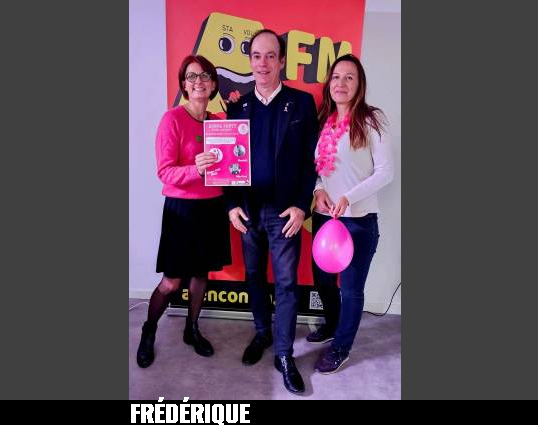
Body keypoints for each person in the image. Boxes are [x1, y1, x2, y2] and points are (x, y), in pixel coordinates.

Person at [225, 29, 318, 394]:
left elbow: (311, 163)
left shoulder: (302, 103)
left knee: (286, 283)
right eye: (256, 56)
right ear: (250, 62)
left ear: (282, 61)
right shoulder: (238, 107)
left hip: (284, 214)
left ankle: (284, 354)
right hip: (248, 213)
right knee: (253, 275)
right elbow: (228, 164)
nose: (262, 63)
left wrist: (302, 206)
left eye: (270, 56)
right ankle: (262, 332)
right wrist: (231, 204)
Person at [136, 55, 231, 368]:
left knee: (201, 274)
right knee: (171, 282)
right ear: (184, 85)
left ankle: (192, 329)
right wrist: (195, 169)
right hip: (182, 210)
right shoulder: (172, 119)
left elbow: (234, 164)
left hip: (213, 207)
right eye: (191, 77)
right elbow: (164, 172)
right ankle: (149, 330)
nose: (198, 81)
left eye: (204, 76)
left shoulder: (220, 122)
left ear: (213, 84)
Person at [307, 54, 394, 374]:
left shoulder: (371, 120)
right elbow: (318, 169)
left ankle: (341, 348)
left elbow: (386, 172)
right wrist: (318, 190)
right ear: (328, 83)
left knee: (352, 289)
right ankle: (332, 325)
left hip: (358, 221)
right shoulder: (324, 120)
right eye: (336, 77)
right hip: (325, 219)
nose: (341, 83)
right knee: (323, 280)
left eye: (349, 77)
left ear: (359, 85)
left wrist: (348, 197)